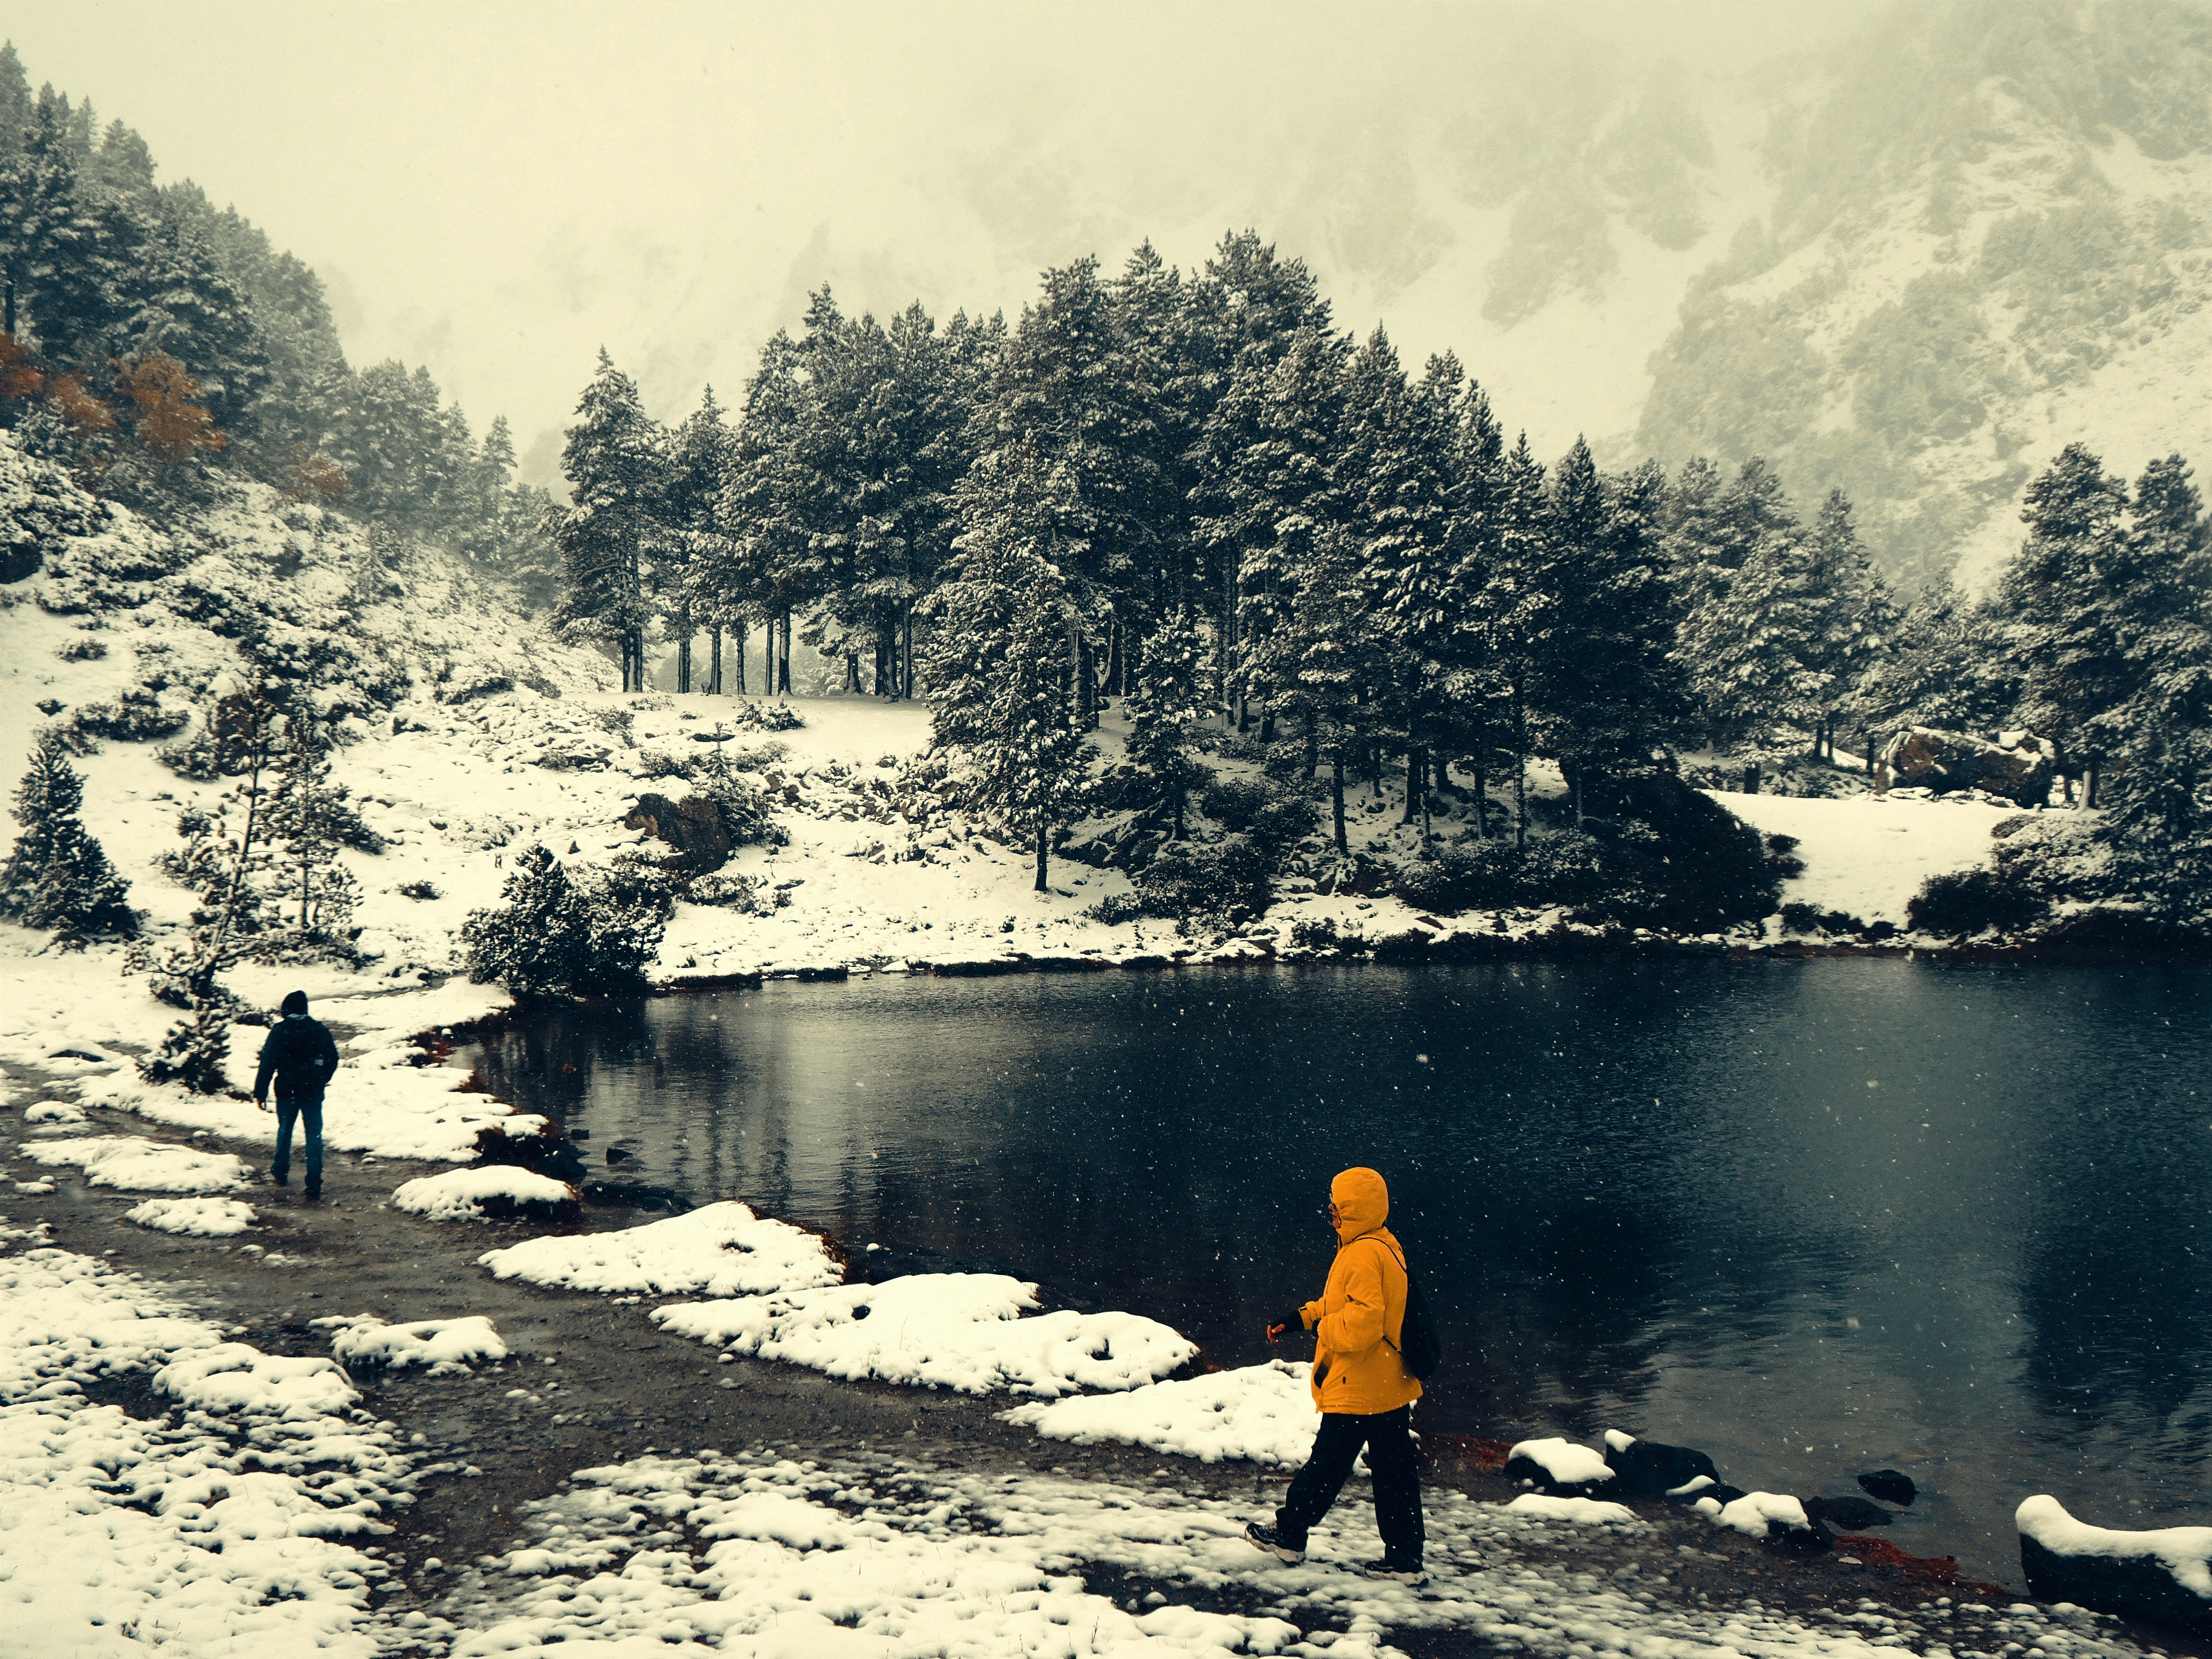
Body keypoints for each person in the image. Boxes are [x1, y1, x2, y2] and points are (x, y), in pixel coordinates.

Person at [1246, 1165, 1425, 1584]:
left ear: (1354, 1210)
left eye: (1337, 1206)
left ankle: (1289, 1535)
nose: (1331, 1213)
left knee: (1326, 1466)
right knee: (1395, 1473)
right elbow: (1340, 1302)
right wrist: (1300, 1319)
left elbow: (1363, 1322)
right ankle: (1405, 1560)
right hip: (1388, 1383)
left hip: (1359, 1384)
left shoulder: (1361, 1253)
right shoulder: (1383, 1243)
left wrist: (1324, 1329)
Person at [254, 989, 340, 1198]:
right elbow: (333, 1058)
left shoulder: (279, 1031)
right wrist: (321, 1079)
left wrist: (260, 1091)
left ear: (286, 1009)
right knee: (314, 1135)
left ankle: (280, 1171)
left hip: (286, 1089)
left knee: (285, 1131)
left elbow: (267, 1063)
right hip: (312, 1090)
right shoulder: (319, 1030)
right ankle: (313, 1180)